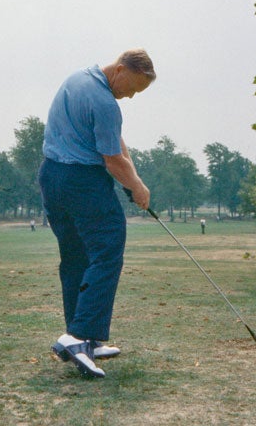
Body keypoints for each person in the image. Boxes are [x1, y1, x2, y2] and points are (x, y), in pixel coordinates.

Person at [38, 49, 156, 378]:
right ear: (119, 69)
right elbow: (112, 160)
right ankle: (79, 336)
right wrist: (138, 188)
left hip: (51, 177)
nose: (130, 95)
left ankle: (84, 338)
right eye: (131, 88)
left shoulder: (77, 80)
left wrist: (136, 179)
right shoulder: (105, 102)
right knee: (107, 249)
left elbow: (115, 141)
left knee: (76, 257)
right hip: (83, 182)